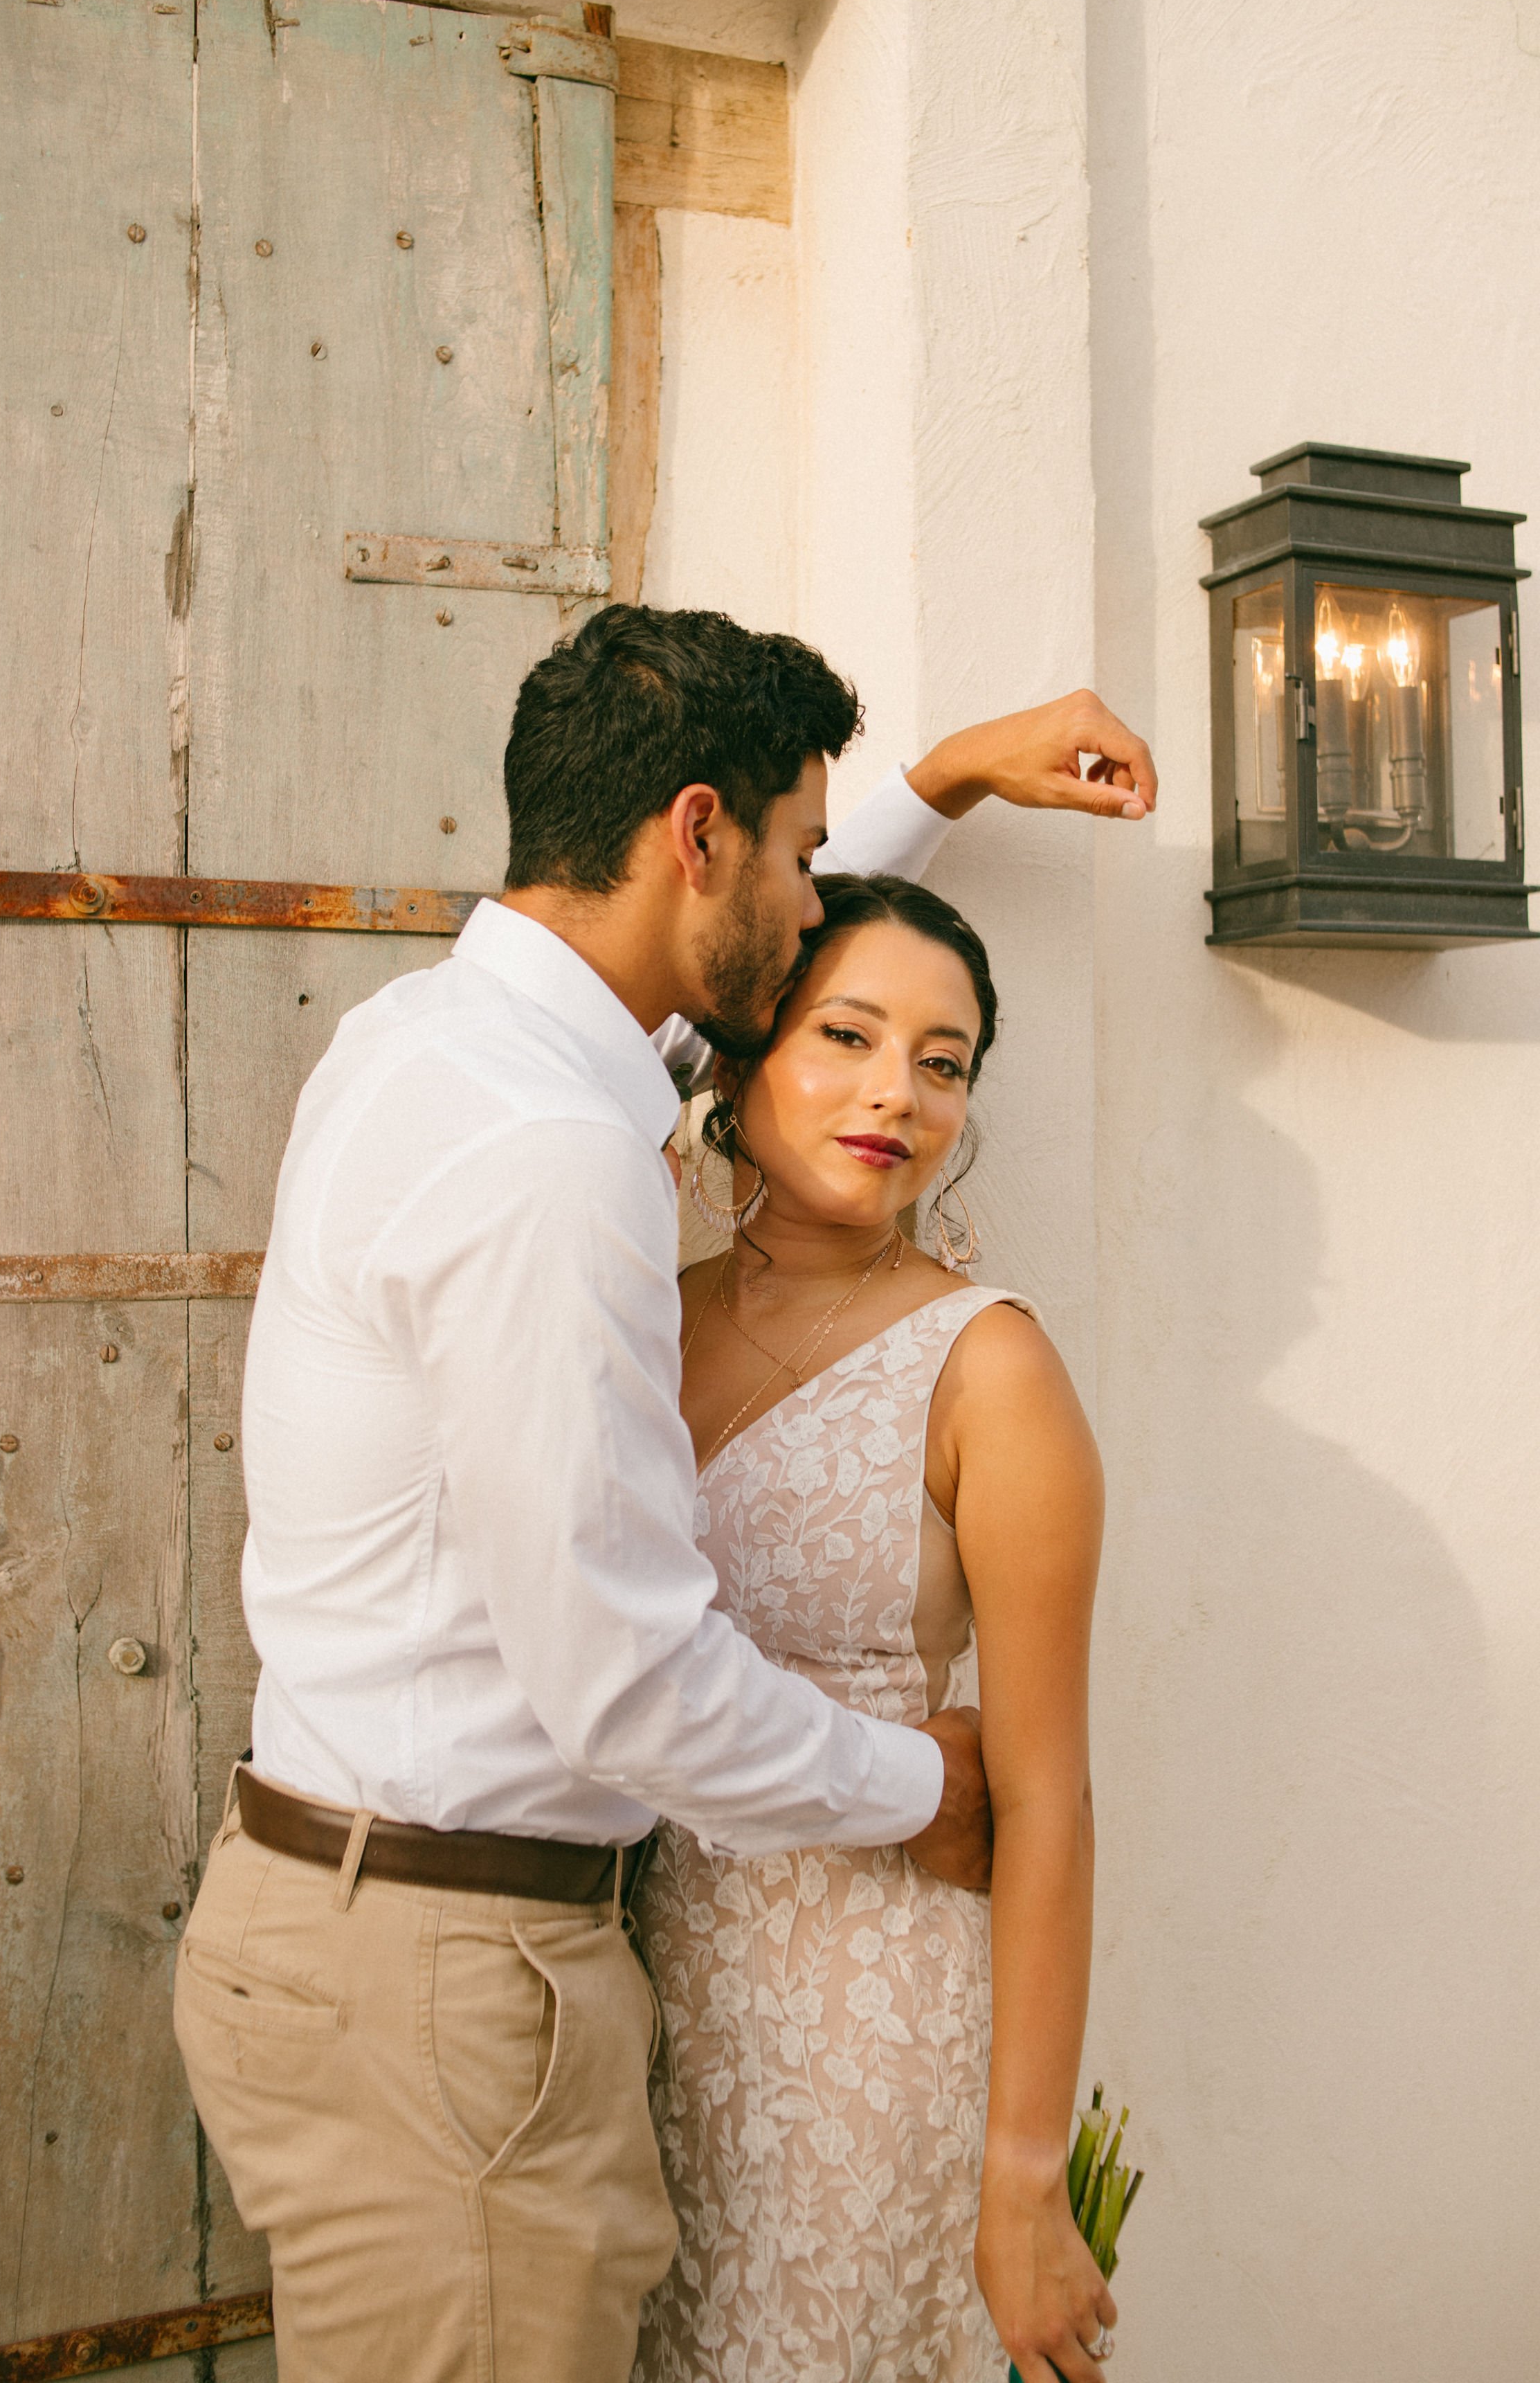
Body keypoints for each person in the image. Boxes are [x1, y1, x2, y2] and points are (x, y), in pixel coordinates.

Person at [172, 606, 1154, 2383]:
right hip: (454, 1978)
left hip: (379, 1925)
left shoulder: (433, 1042)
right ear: (695, 833)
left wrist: (939, 783)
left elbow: (766, 1013)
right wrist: (911, 1789)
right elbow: (623, 1677)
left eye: (941, 1062)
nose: (803, 903)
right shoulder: (556, 1156)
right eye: (793, 852)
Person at [635, 874, 1112, 2383]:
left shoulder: (991, 1370)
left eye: (944, 1059)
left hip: (864, 2016)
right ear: (743, 1049)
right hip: (617, 1991)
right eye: (847, 1034)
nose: (896, 1093)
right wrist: (957, 775)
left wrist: (1024, 2175)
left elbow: (1044, 1796)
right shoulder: (629, 1307)